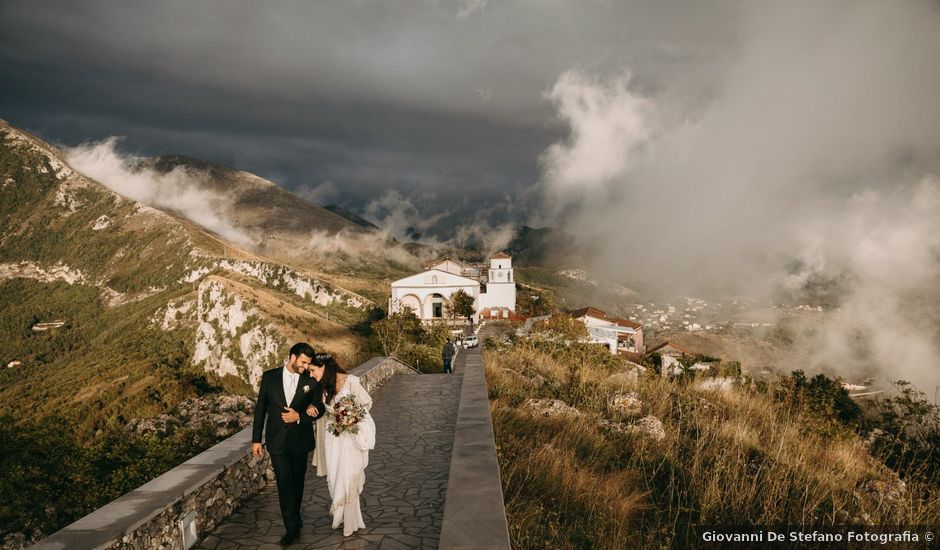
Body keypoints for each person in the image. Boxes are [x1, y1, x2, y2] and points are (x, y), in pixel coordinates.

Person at [251, 342, 326, 547]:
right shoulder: (269, 377)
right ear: (292, 357)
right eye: (302, 362)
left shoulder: (310, 381)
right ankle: (291, 527)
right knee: (284, 483)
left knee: (297, 482)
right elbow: (261, 409)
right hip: (277, 440)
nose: (305, 367)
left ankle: (295, 516)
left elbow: (320, 408)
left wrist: (300, 416)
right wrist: (256, 439)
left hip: (300, 440)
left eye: (308, 364)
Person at [307, 353, 375, 537]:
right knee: (336, 478)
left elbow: (366, 402)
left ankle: (350, 523)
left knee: (350, 477)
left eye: (313, 370)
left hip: (351, 439)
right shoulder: (321, 387)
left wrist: (351, 416)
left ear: (324, 367)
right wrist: (310, 408)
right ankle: (342, 515)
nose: (311, 374)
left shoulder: (351, 381)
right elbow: (319, 408)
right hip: (333, 439)